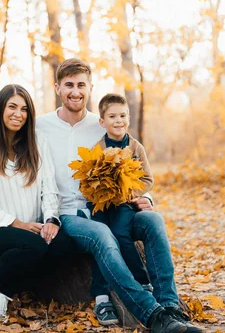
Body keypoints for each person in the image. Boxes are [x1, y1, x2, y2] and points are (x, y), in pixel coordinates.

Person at [33, 58, 201, 333]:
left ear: (90, 88)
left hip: (114, 208)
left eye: (81, 85)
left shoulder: (103, 122)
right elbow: (10, 159)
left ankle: (170, 305)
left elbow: (132, 164)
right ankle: (152, 315)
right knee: (103, 235)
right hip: (69, 214)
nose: (76, 91)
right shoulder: (41, 126)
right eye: (69, 85)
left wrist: (147, 198)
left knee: (153, 222)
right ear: (57, 88)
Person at [0, 84, 75, 323]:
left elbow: (49, 188)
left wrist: (51, 220)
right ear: (0, 110)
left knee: (65, 244)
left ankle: (2, 292)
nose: (18, 114)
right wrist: (17, 224)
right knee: (34, 247)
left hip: (31, 231)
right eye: (12, 107)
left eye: (24, 109)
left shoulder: (37, 144)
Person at [85, 93, 155, 315]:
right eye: (112, 116)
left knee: (120, 234)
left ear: (129, 117)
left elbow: (148, 179)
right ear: (102, 121)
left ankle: (142, 281)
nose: (118, 121)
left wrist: (129, 193)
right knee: (100, 239)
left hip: (125, 204)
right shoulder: (98, 149)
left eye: (123, 115)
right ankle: (101, 294)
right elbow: (89, 181)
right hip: (101, 205)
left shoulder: (136, 148)